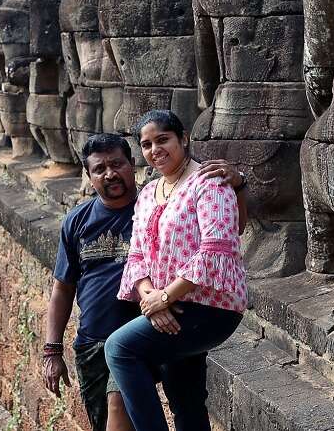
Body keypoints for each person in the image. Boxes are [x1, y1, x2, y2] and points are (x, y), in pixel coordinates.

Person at [43, 132, 246, 431]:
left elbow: (229, 231)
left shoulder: (160, 205)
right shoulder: (77, 221)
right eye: (100, 169)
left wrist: (239, 185)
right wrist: (52, 349)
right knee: (170, 409)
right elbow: (63, 287)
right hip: (93, 338)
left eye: (117, 164)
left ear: (132, 164)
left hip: (156, 326)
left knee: (129, 404)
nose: (110, 173)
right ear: (89, 176)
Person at [104, 110, 248, 431]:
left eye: (163, 139)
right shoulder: (147, 195)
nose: (155, 149)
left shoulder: (208, 182)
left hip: (210, 307)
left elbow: (216, 249)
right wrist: (152, 300)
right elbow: (137, 255)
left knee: (120, 348)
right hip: (169, 305)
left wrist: (165, 297)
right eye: (146, 144)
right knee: (184, 396)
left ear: (183, 139)